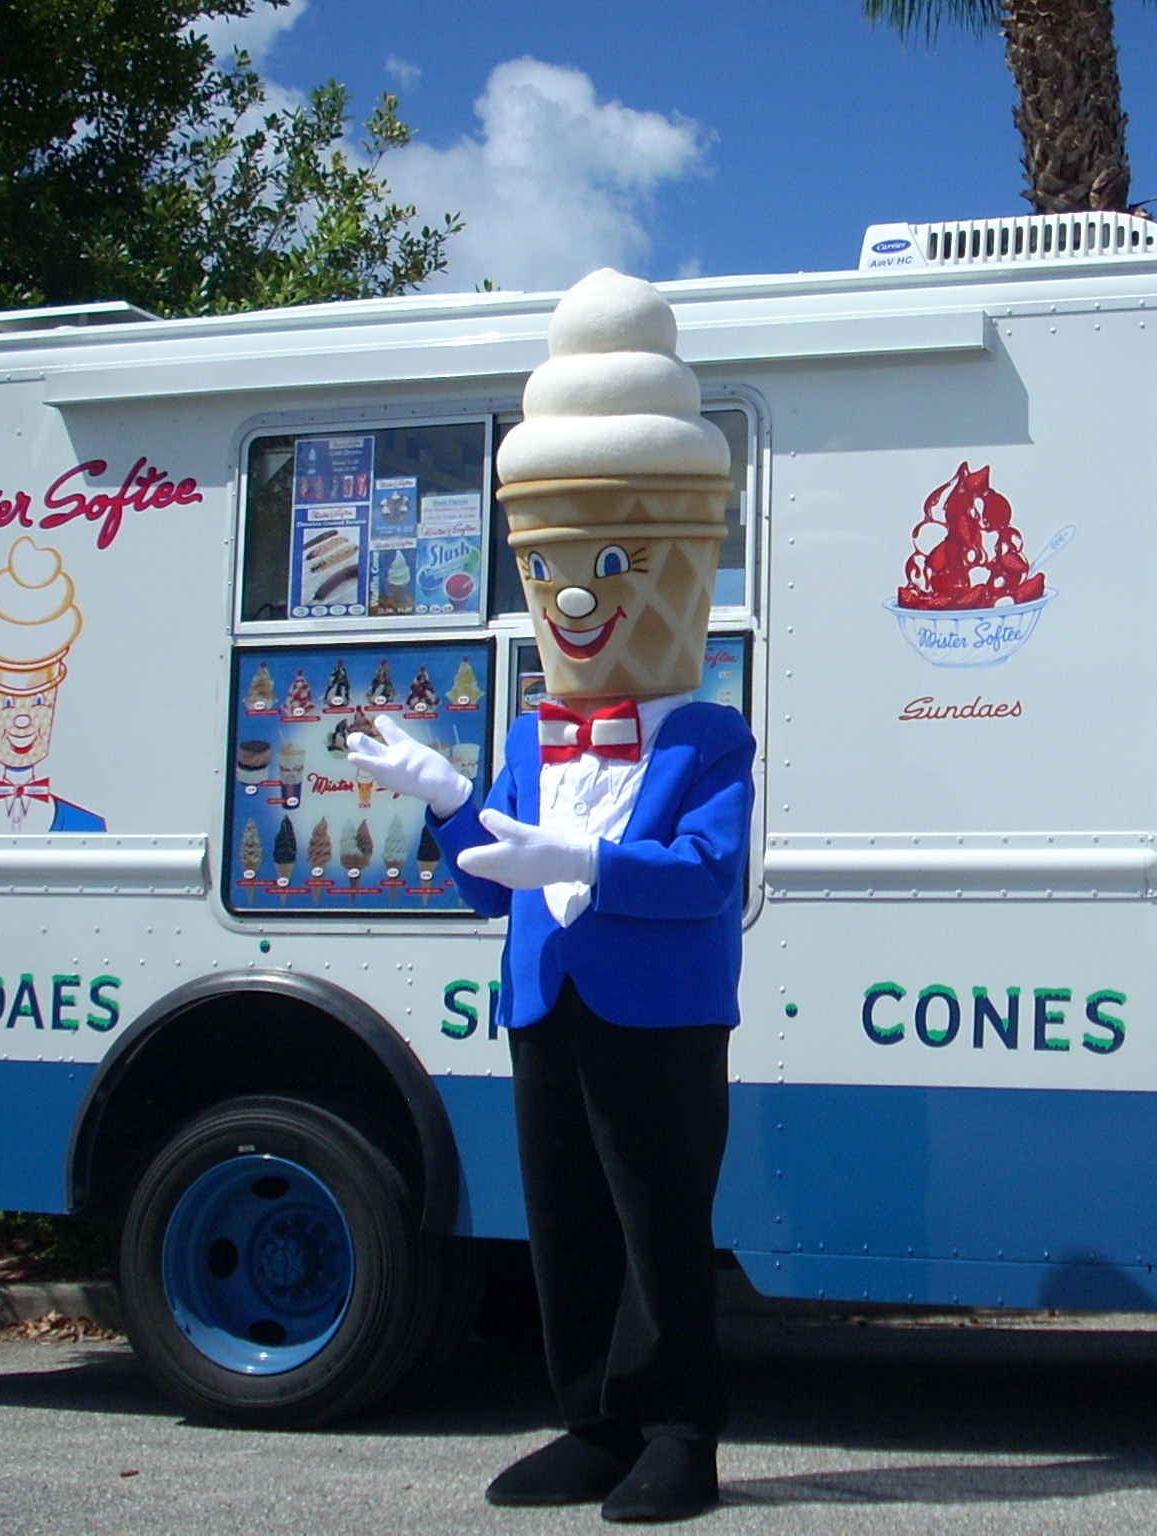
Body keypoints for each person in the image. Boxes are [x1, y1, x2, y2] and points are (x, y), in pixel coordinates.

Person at [352, 268, 746, 1524]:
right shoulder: (532, 737)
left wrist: (578, 864)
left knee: (660, 1228)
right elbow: (489, 892)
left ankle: (681, 1432)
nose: (579, 595)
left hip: (661, 1012)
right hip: (547, 1002)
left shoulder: (709, 740)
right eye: (561, 565)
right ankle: (589, 1422)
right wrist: (448, 800)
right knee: (564, 1222)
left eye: (616, 562)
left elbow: (705, 886)